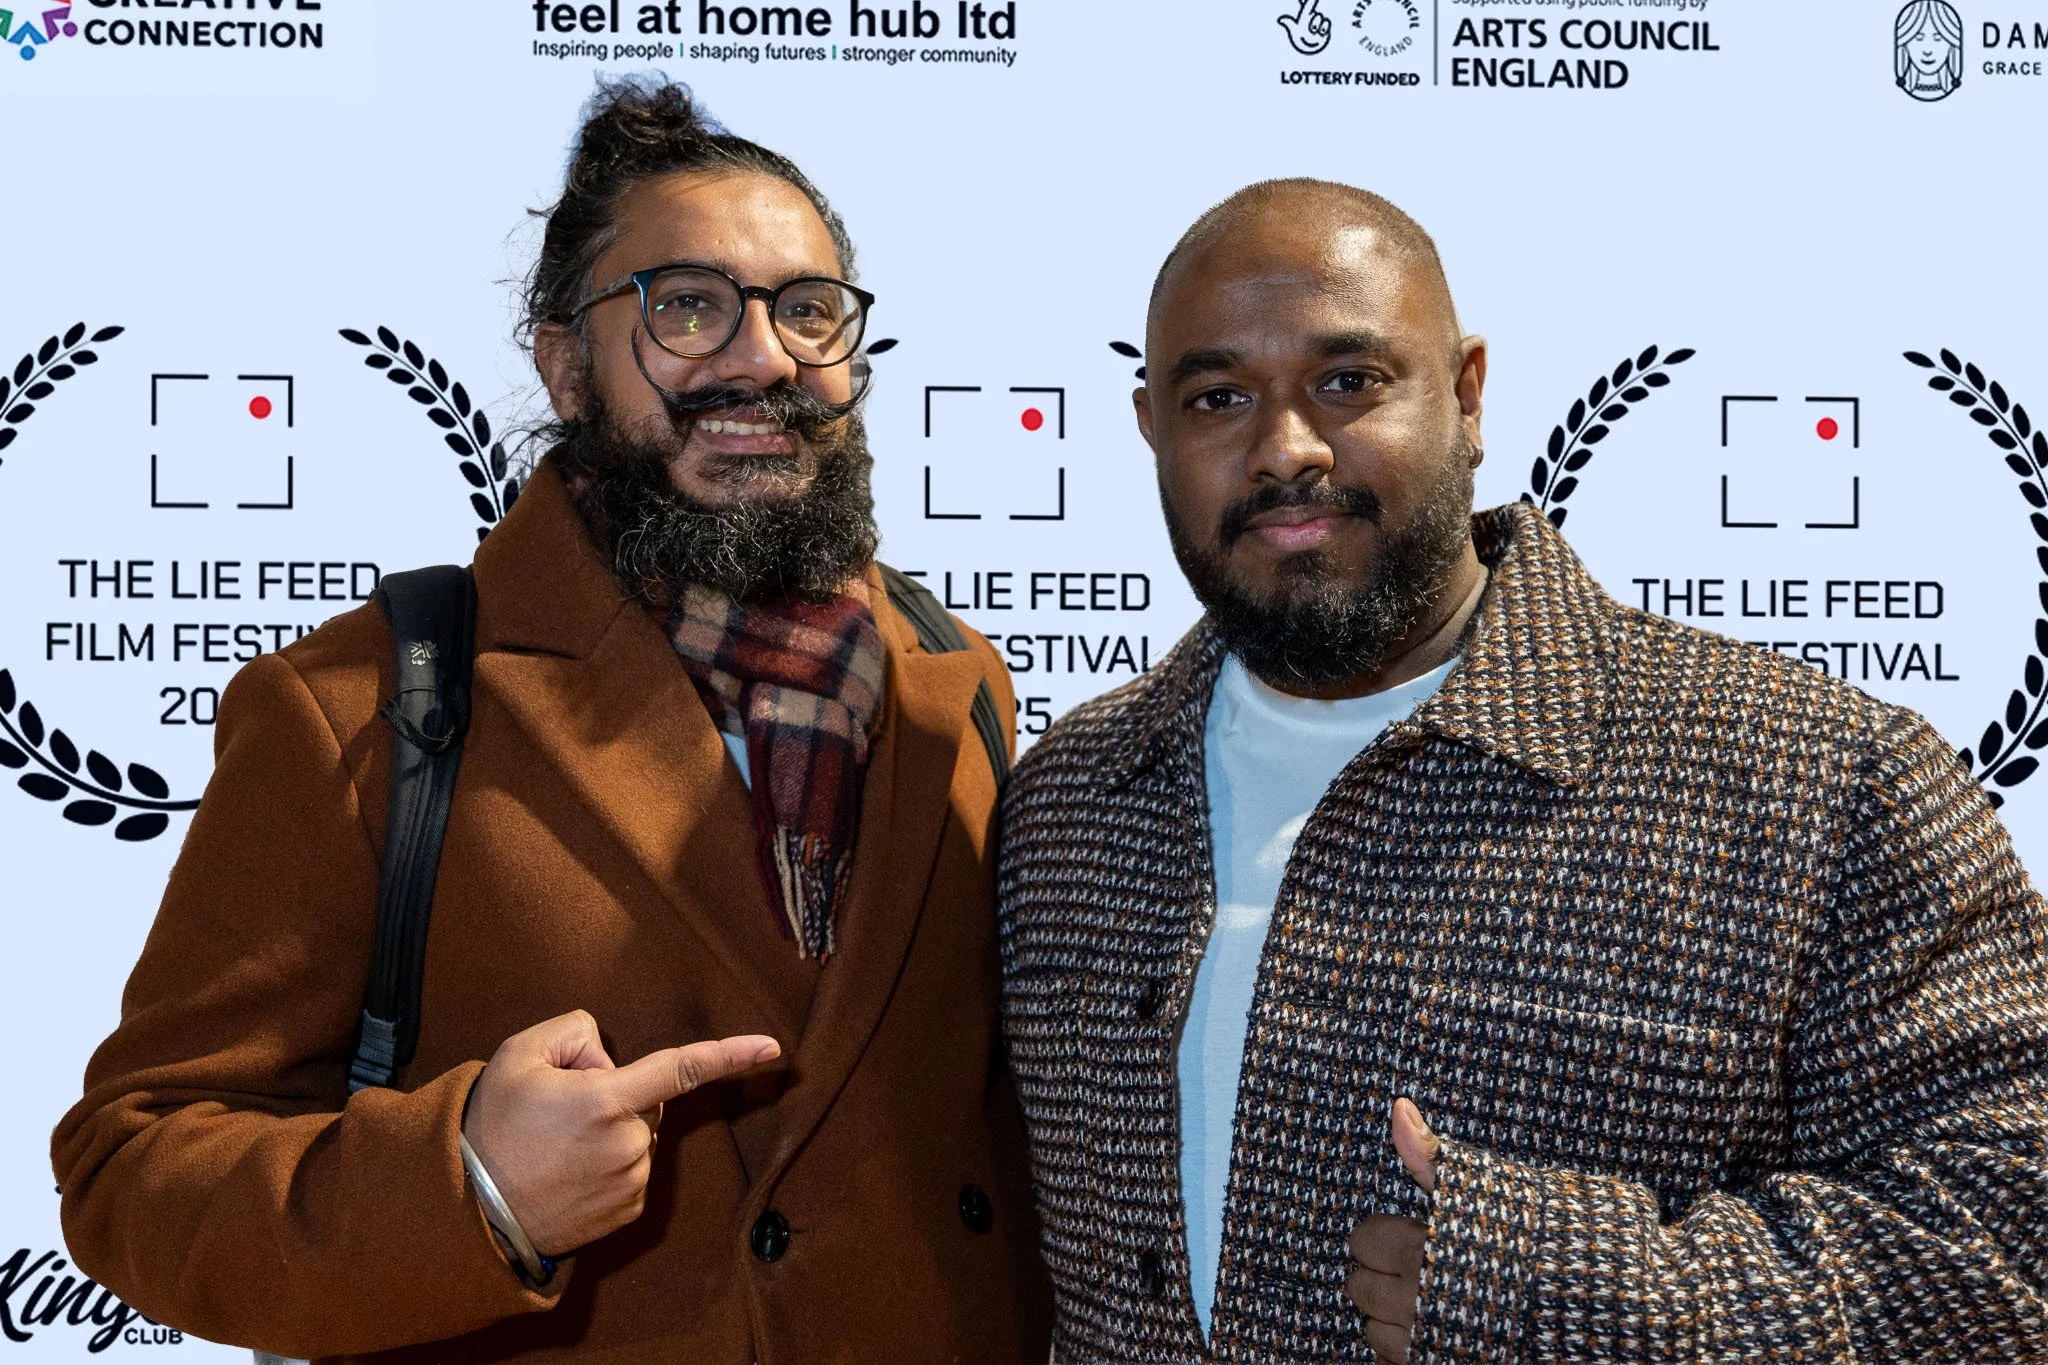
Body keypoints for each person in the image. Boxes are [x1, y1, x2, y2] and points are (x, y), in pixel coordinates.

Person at [53, 78, 1050, 1364]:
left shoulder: (953, 685)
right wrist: (468, 1189)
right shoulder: (357, 706)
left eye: (807, 312)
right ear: (566, 362)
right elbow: (132, 1168)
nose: (762, 359)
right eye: (688, 308)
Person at [996, 177, 2048, 1362]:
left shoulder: (1822, 781)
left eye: (1347, 383)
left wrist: (1562, 1297)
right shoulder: (1069, 802)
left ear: (1465, 393)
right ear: (1152, 429)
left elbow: (2005, 1244)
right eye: (1218, 396)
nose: (1284, 447)